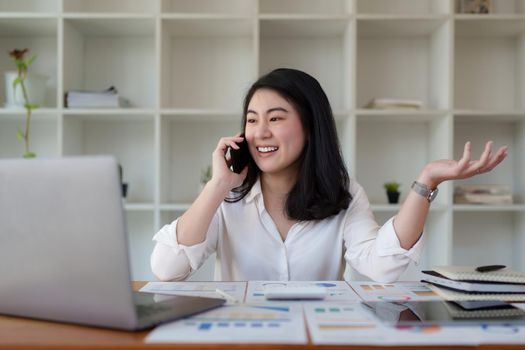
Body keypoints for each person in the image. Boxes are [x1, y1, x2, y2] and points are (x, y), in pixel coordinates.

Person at [151, 68, 508, 282]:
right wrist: (216, 186)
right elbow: (167, 269)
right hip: (242, 339)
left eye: (275, 118)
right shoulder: (227, 195)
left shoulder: (344, 194)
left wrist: (427, 180)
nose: (260, 132)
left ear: (310, 127)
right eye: (252, 119)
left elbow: (382, 266)